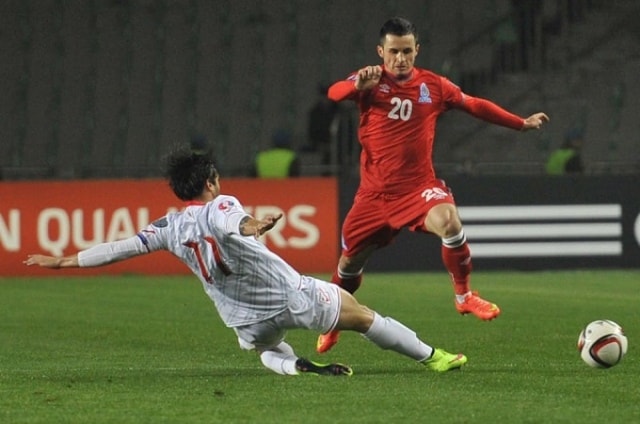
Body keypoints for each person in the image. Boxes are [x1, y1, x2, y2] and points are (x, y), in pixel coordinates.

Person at [23, 145, 467, 376]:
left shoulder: (166, 227)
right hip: (291, 296)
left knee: (269, 349)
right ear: (212, 181)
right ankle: (433, 357)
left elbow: (119, 247)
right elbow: (235, 222)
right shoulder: (222, 205)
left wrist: (64, 262)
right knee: (364, 317)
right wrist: (257, 224)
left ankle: (294, 367)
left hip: (242, 320)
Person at [316, 16, 550, 354]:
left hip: (417, 188)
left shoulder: (434, 86)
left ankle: (464, 296)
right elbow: (334, 93)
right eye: (394, 51)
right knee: (348, 265)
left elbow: (473, 104)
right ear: (381, 51)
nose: (400, 59)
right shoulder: (371, 81)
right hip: (373, 196)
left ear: (417, 50)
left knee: (449, 222)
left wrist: (520, 123)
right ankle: (335, 321)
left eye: (407, 51)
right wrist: (357, 86)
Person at [306, 83, 340, 169]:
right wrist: (318, 145)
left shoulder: (340, 113)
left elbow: (347, 133)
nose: (325, 99)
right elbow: (312, 132)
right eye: (323, 96)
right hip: (321, 147)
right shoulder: (315, 113)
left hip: (339, 150)